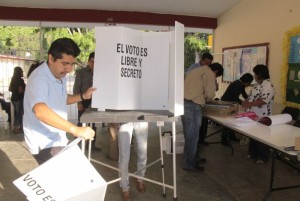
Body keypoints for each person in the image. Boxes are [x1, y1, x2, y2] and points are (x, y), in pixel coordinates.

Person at [23, 38, 96, 165]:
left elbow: (61, 98)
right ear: (51, 59)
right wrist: (75, 129)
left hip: (57, 138)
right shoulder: (39, 78)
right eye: (65, 63)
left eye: (71, 64)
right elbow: (40, 110)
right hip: (44, 142)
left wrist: (83, 96)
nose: (69, 69)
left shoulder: (58, 75)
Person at [182, 62, 224, 172]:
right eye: (217, 76)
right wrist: (206, 98)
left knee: (190, 136)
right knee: (193, 137)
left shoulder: (196, 70)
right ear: (216, 72)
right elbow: (210, 94)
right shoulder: (210, 73)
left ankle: (194, 158)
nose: (215, 78)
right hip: (193, 106)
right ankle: (189, 164)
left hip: (184, 104)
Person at [242, 64, 275, 164]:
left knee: (262, 136)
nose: (254, 76)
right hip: (253, 114)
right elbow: (251, 96)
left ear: (260, 74)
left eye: (255, 74)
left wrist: (250, 104)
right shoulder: (257, 85)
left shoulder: (268, 85)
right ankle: (252, 153)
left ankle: (262, 157)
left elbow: (264, 100)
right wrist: (245, 102)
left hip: (263, 115)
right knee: (253, 135)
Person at [73, 52, 101, 151]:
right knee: (81, 123)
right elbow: (76, 88)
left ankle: (92, 145)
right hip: (83, 101)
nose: (93, 64)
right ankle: (76, 146)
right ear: (88, 61)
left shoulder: (100, 73)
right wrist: (79, 102)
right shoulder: (81, 73)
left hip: (96, 102)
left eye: (95, 62)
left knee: (93, 125)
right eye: (92, 62)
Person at [220, 73, 254, 144]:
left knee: (231, 120)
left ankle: (231, 137)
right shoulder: (237, 84)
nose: (249, 84)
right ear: (247, 81)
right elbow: (235, 97)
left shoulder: (240, 84)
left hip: (231, 103)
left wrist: (249, 100)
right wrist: (243, 103)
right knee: (227, 121)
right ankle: (224, 140)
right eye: (250, 83)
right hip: (226, 103)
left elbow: (244, 94)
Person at [119, 122, 148, 201]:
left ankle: (140, 179)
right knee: (124, 156)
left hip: (141, 117)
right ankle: (125, 188)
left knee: (143, 153)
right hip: (124, 117)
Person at [9, 66, 26, 133]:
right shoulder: (20, 80)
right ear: (19, 72)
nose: (22, 73)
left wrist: (14, 90)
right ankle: (16, 128)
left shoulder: (12, 79)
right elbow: (20, 90)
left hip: (13, 98)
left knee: (17, 113)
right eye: (22, 71)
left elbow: (10, 89)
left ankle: (20, 127)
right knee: (19, 114)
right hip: (19, 98)